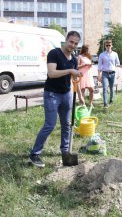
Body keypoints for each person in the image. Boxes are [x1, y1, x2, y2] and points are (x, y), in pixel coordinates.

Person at [29, 31, 83, 168]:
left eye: (76, 43)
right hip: (52, 94)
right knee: (50, 125)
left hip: (66, 94)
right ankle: (34, 154)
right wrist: (70, 71)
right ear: (66, 40)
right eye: (71, 42)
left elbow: (73, 78)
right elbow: (51, 73)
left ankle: (65, 151)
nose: (73, 45)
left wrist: (75, 76)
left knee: (67, 125)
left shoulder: (74, 59)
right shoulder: (54, 53)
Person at [98, 40, 120, 108]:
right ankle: (105, 103)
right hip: (105, 73)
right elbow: (99, 66)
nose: (108, 47)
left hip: (113, 73)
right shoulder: (102, 55)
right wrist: (99, 75)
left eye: (109, 45)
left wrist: (118, 73)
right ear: (105, 46)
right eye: (107, 45)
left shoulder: (115, 54)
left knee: (111, 88)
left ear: (111, 46)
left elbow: (117, 64)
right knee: (104, 88)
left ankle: (111, 100)